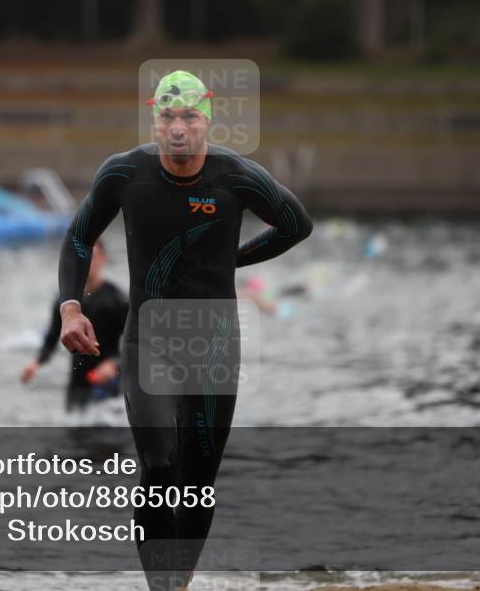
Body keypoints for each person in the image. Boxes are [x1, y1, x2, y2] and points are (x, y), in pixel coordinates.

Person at [56, 70, 313, 590]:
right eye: (167, 116)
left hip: (214, 344)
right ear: (154, 119)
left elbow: (296, 225)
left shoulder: (236, 177)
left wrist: (232, 261)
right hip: (147, 339)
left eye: (189, 117)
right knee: (157, 466)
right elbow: (80, 235)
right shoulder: (124, 174)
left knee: (196, 482)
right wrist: (70, 307)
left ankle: (180, 583)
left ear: (207, 120)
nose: (178, 128)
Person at [20, 240, 128, 411]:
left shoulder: (117, 299)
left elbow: (138, 343)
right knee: (73, 432)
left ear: (104, 260)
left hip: (108, 381)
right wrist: (36, 363)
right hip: (77, 384)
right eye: (83, 258)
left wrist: (114, 364)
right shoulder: (66, 303)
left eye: (94, 257)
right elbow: (52, 338)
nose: (88, 263)